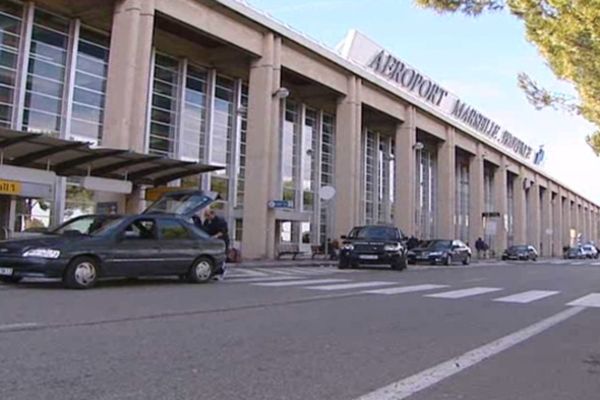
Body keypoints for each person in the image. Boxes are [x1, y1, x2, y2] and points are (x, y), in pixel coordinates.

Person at [201, 209, 230, 279]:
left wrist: (214, 237)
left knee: (221, 257)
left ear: (213, 214)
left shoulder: (220, 221)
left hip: (221, 241)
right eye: (205, 216)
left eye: (208, 215)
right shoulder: (207, 221)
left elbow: (222, 232)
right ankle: (214, 272)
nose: (207, 217)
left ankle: (221, 272)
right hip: (211, 242)